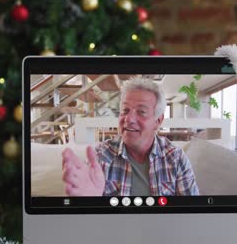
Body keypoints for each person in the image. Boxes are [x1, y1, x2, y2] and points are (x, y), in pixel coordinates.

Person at [61, 77, 199, 196]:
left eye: (141, 112)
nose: (129, 119)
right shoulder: (100, 157)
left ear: (158, 121)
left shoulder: (175, 158)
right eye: (125, 110)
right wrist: (89, 202)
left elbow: (193, 214)